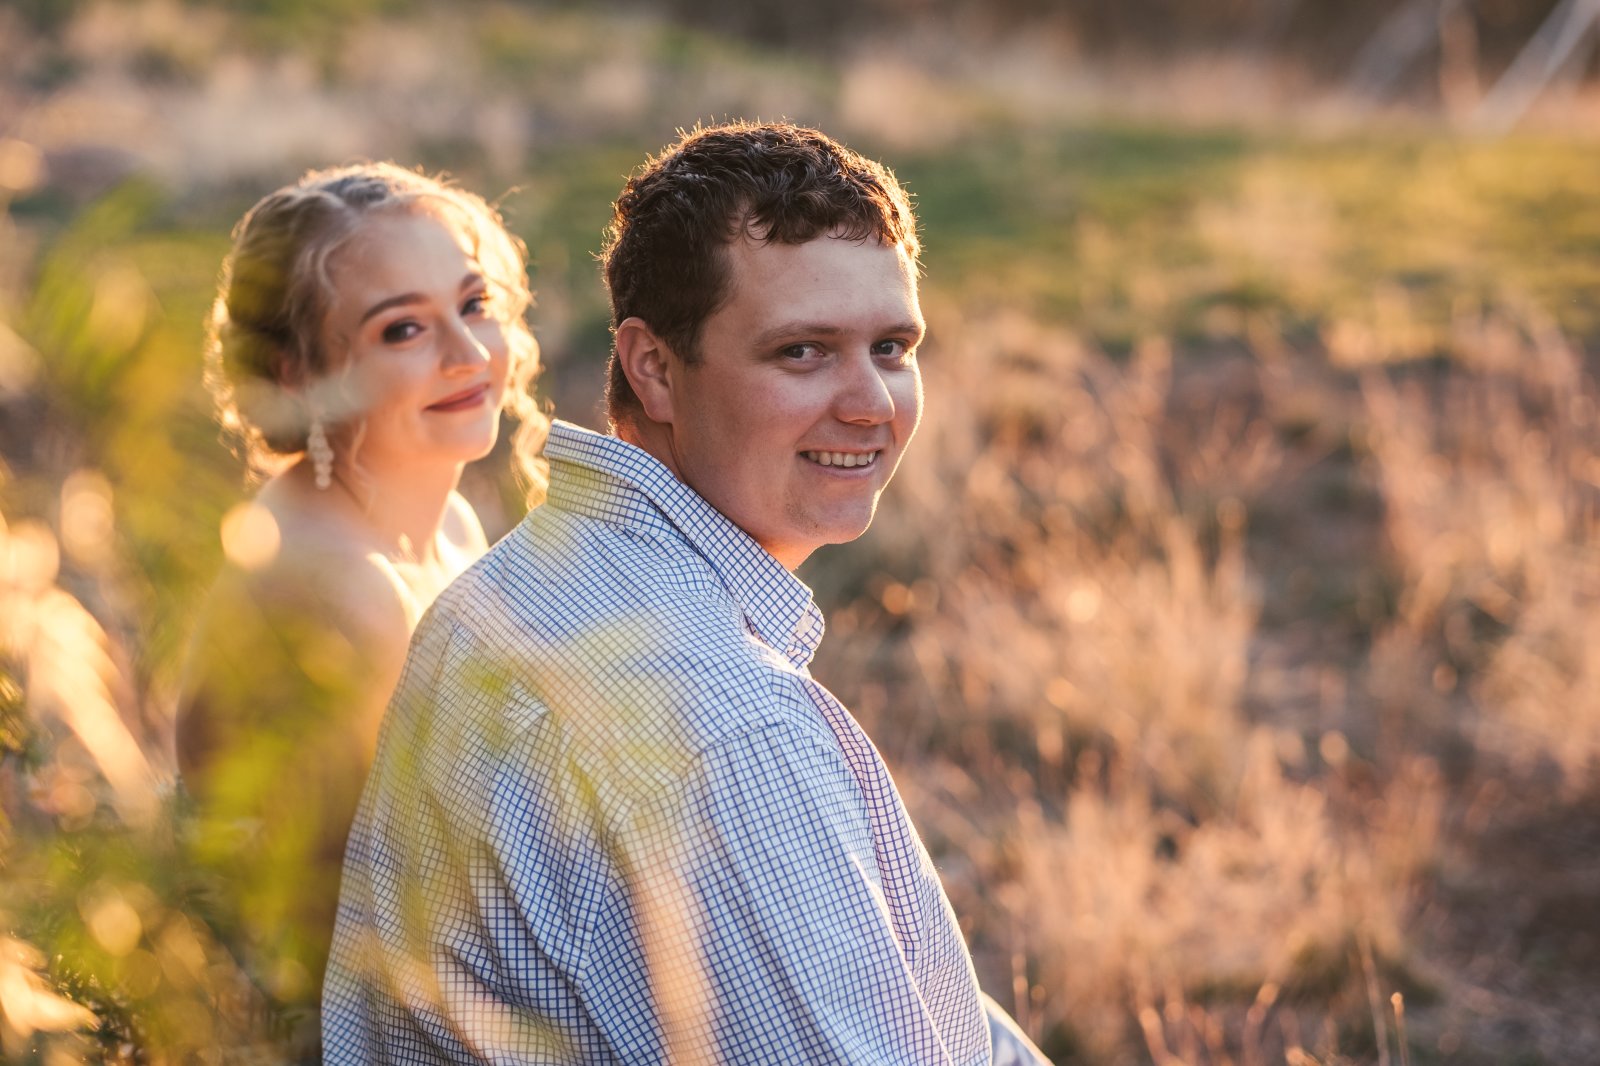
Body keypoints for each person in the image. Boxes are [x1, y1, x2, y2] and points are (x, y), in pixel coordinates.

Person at [323, 122, 1049, 1064]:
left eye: (892, 346)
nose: (871, 403)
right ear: (655, 369)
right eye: (803, 352)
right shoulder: (728, 731)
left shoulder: (518, 584)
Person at [177, 161, 547, 1057]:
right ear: (298, 375)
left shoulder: (447, 523)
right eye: (403, 329)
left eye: (474, 303)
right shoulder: (334, 591)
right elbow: (385, 916)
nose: (468, 354)